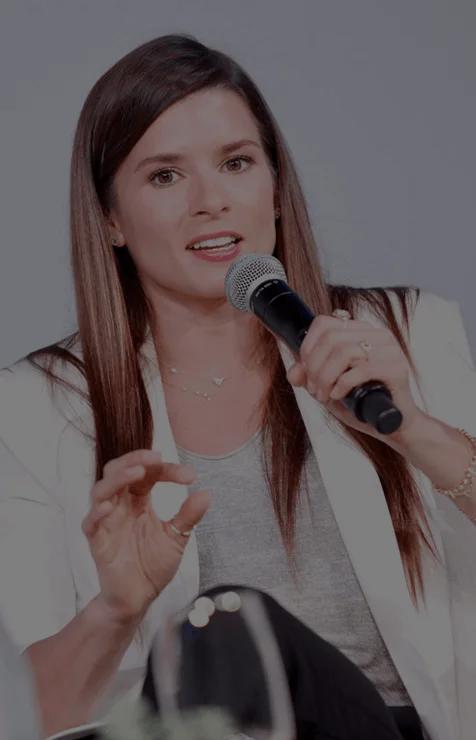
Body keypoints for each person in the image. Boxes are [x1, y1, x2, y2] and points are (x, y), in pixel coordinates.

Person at [0, 33, 475, 740]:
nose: (212, 201)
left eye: (236, 163)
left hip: (382, 728)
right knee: (216, 636)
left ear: (275, 189)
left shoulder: (402, 333)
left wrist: (415, 429)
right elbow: (30, 718)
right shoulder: (33, 406)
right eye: (166, 176)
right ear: (110, 219)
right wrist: (116, 609)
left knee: (225, 621)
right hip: (185, 732)